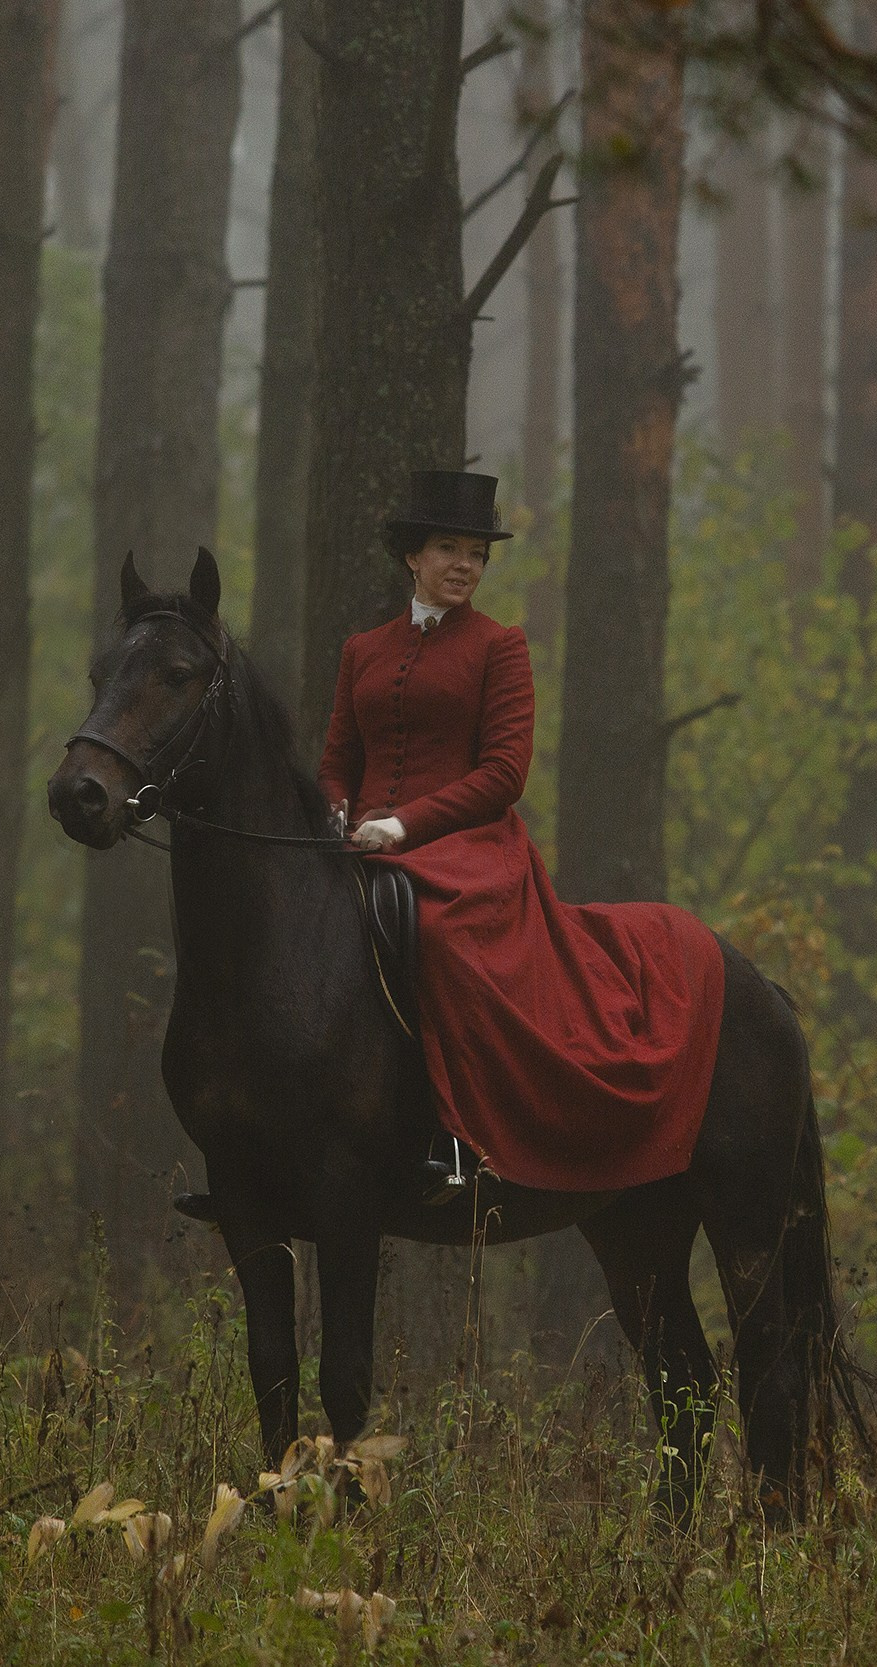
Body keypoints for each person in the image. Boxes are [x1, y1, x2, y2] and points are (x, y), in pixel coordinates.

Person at [319, 470, 725, 1199]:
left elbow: (505, 773)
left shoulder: (499, 647)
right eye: (449, 548)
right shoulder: (363, 651)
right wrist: (335, 810)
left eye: (476, 553)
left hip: (467, 849)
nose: (464, 565)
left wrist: (405, 824)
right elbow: (338, 758)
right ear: (413, 555)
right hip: (362, 841)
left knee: (438, 935)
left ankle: (453, 1133)